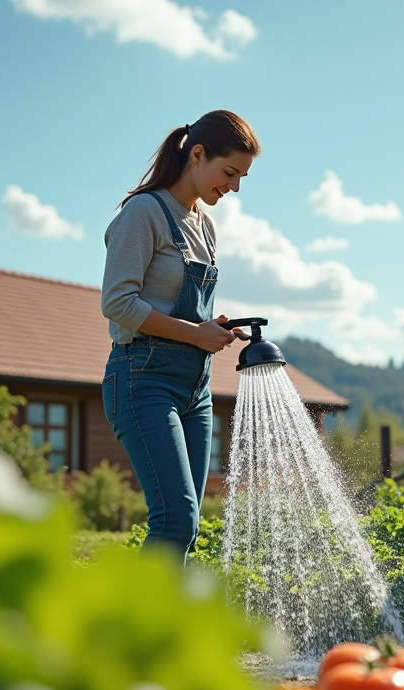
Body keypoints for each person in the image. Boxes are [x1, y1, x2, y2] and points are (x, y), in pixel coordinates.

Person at [100, 110, 260, 560]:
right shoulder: (144, 212)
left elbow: (182, 307)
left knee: (185, 529)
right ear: (197, 154)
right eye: (229, 172)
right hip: (142, 379)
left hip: (196, 387)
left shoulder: (204, 226)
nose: (234, 187)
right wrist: (194, 334)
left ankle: (168, 628)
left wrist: (214, 329)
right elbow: (118, 304)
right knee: (175, 520)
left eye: (242, 177)